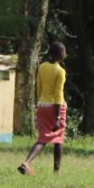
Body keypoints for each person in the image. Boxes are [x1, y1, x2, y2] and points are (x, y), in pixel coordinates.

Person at [18, 42, 67, 175]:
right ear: (61, 54)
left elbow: (39, 87)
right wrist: (57, 118)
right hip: (56, 107)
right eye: (64, 52)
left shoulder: (42, 67)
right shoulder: (60, 71)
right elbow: (58, 94)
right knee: (58, 139)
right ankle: (56, 171)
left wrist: (40, 103)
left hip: (42, 105)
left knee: (43, 138)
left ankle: (27, 162)